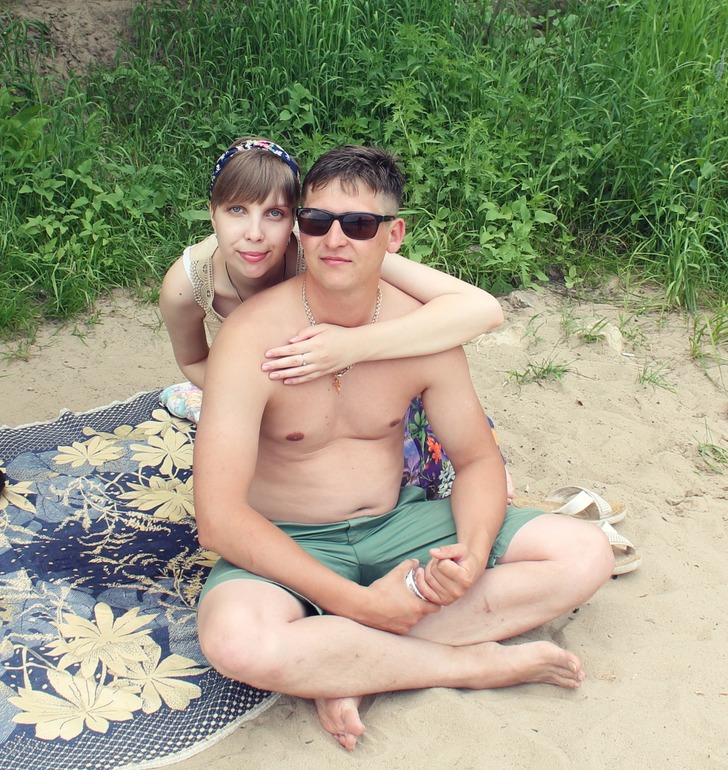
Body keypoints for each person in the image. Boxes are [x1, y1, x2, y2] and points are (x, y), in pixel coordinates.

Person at [193, 145, 615, 750]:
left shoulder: (421, 331)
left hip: (397, 523)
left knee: (584, 553)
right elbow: (219, 518)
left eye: (359, 224)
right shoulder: (251, 337)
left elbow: (477, 459)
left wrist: (471, 555)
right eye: (317, 220)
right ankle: (464, 664)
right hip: (289, 539)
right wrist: (361, 604)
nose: (335, 239)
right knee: (236, 641)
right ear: (300, 231)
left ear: (393, 235)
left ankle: (347, 664)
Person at [159, 136, 514, 495]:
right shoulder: (187, 285)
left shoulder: (325, 250)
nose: (254, 234)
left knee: (471, 468)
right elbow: (192, 360)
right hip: (270, 393)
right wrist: (245, 396)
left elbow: (481, 309)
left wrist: (353, 345)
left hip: (361, 389)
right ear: (212, 213)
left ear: (294, 221)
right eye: (237, 210)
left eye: (274, 213)